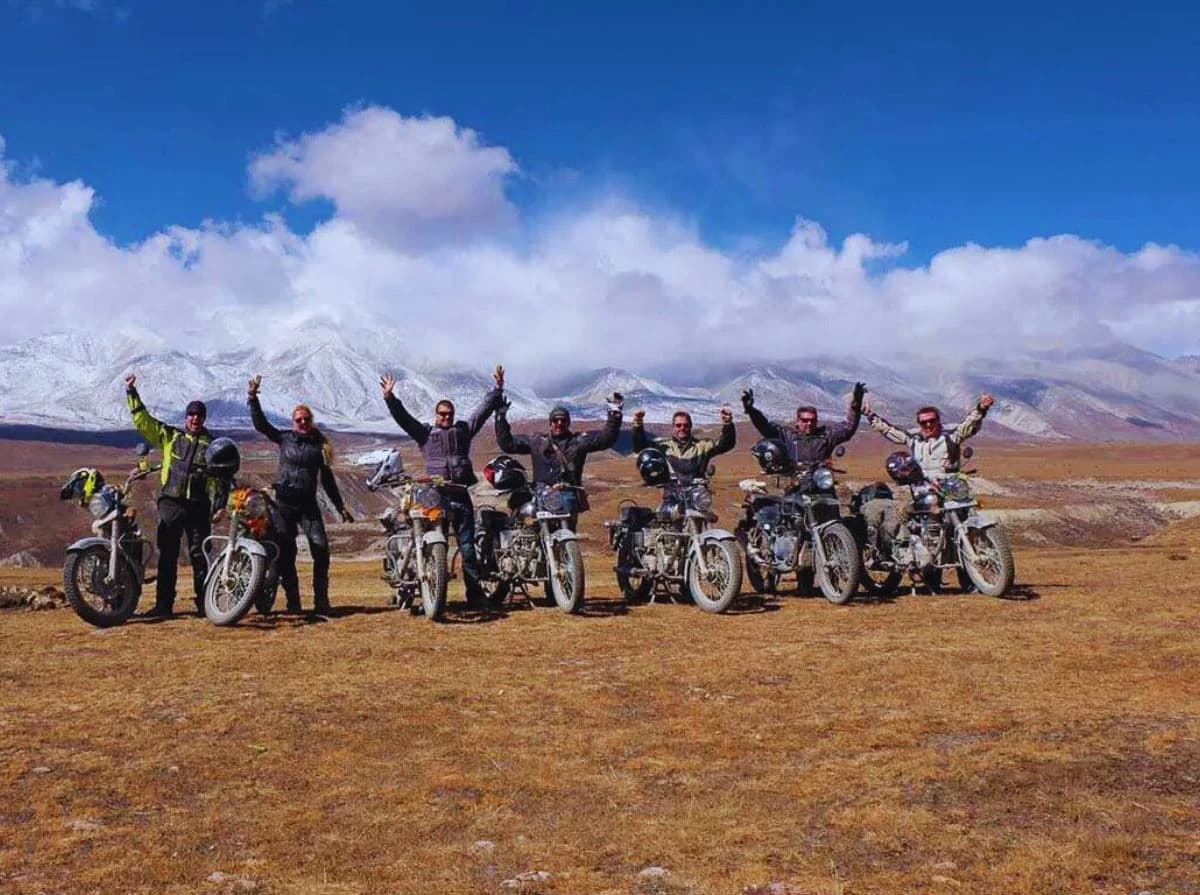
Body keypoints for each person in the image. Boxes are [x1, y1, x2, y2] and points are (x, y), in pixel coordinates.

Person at [380, 366, 505, 607]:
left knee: (468, 548)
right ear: (436, 415)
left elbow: (481, 413)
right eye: (442, 414)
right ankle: (435, 595)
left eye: (449, 414)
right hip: (435, 497)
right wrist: (390, 398)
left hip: (460, 495)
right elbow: (404, 419)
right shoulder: (425, 434)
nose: (446, 418)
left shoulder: (463, 432)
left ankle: (475, 594)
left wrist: (497, 390)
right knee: (437, 543)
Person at [247, 376, 353, 614]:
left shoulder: (320, 448)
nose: (303, 422)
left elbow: (327, 481)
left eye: (306, 419)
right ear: (293, 422)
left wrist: (340, 507)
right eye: (298, 420)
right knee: (286, 555)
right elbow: (262, 425)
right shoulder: (284, 438)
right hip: (283, 505)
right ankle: (293, 603)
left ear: (311, 421)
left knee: (321, 550)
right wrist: (252, 398)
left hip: (308, 506)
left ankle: (321, 602)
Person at [124, 372, 217, 618]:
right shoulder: (171, 436)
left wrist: (220, 505)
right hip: (171, 502)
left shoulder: (212, 445)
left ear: (204, 418)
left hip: (198, 505)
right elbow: (144, 422)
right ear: (186, 417)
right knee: (167, 555)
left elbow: (221, 477)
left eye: (199, 415)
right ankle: (163, 605)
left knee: (200, 554)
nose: (195, 418)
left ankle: (205, 604)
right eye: (191, 414)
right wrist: (132, 392)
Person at [860, 394, 996, 547]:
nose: (928, 425)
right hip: (924, 492)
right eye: (924, 422)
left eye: (932, 420)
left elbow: (969, 425)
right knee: (924, 527)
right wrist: (870, 416)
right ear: (919, 424)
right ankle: (919, 548)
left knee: (966, 511)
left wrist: (981, 408)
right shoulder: (914, 439)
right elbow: (889, 430)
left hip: (950, 488)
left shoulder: (951, 437)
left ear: (938, 421)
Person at [494, 392, 624, 528]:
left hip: (568, 494)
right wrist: (500, 417)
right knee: (533, 528)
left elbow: (605, 440)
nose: (559, 423)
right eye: (555, 420)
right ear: (550, 423)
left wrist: (614, 413)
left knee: (569, 530)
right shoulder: (537, 441)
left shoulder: (578, 442)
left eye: (563, 420)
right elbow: (508, 444)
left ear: (568, 423)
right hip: (542, 494)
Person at [741, 382, 866, 469]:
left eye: (812, 420)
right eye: (805, 420)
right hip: (795, 481)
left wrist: (856, 403)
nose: (809, 423)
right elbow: (766, 427)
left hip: (821, 480)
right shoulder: (787, 435)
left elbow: (848, 428)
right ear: (798, 421)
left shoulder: (826, 435)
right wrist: (751, 411)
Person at [631, 407, 735, 481]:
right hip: (672, 494)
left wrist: (728, 423)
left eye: (686, 425)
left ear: (690, 426)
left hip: (698, 494)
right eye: (678, 425)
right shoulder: (663, 447)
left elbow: (725, 445)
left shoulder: (702, 446)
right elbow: (641, 449)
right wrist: (638, 423)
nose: (682, 428)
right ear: (673, 427)